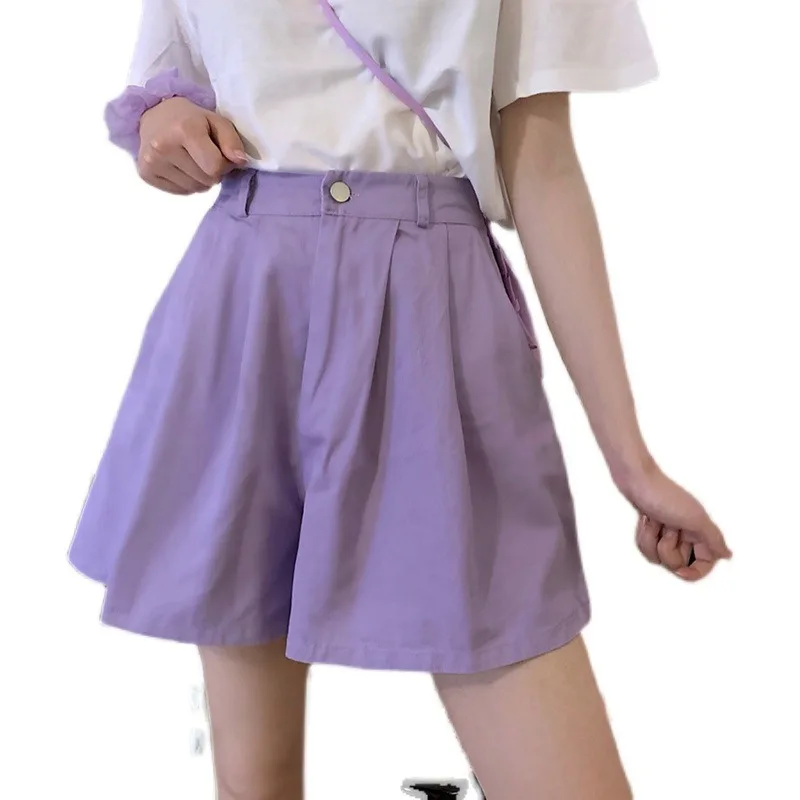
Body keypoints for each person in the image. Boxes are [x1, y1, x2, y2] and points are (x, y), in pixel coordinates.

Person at [68, 1, 732, 798]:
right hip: (249, 302)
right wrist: (166, 125)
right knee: (254, 778)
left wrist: (632, 463)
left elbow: (543, 164)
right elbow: (171, 82)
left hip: (430, 306)